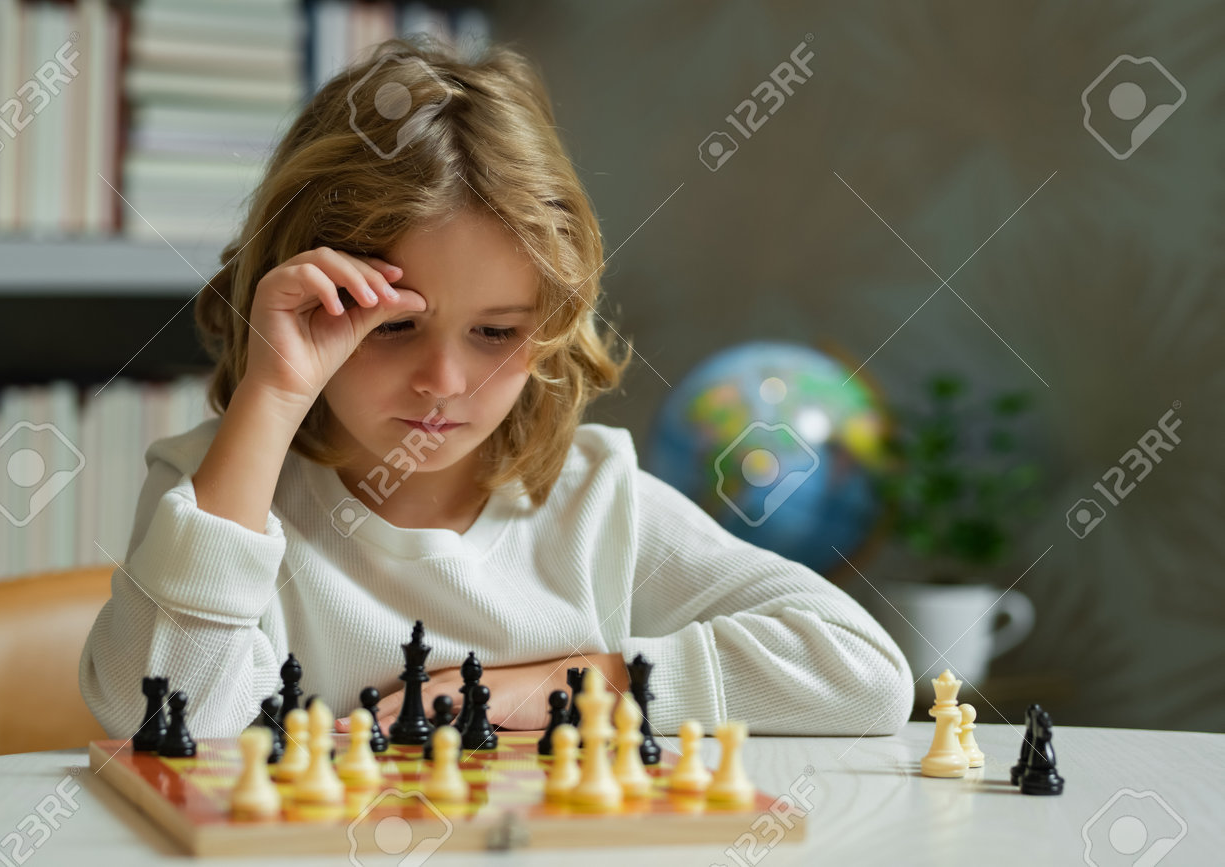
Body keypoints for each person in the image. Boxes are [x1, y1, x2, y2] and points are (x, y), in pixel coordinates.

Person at [79, 38, 912, 740]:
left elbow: (866, 674)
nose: (444, 383)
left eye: (497, 332)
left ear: (550, 326)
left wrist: (589, 682)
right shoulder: (212, 492)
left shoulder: (592, 499)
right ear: (300, 300)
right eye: (393, 324)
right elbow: (156, 715)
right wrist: (274, 393)